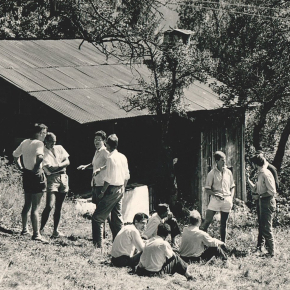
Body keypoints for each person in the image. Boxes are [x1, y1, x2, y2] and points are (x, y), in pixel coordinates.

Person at [92, 134, 130, 248]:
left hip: (111, 189)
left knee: (97, 217)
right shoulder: (122, 156)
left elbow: (108, 179)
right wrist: (123, 188)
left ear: (108, 145)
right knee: (117, 218)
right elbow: (127, 175)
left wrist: (102, 192)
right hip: (120, 188)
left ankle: (98, 246)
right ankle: (120, 244)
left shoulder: (110, 158)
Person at [13, 123, 48, 243]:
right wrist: (36, 168)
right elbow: (40, 157)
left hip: (27, 174)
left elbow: (15, 155)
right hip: (36, 175)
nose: (45, 135)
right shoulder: (39, 143)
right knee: (36, 207)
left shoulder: (25, 142)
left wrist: (21, 167)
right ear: (38, 133)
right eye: (44, 133)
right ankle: (36, 234)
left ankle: (24, 229)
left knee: (27, 204)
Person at [200, 151, 235, 242]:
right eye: (222, 160)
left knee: (224, 223)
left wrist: (231, 197)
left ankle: (223, 244)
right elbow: (207, 189)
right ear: (217, 161)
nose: (224, 162)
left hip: (227, 200)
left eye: (225, 160)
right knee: (207, 221)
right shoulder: (211, 173)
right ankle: (202, 242)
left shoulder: (228, 172)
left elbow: (232, 186)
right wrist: (216, 194)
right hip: (215, 200)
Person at [40, 133, 70, 238]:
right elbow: (50, 168)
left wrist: (58, 166)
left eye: (55, 142)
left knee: (59, 207)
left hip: (63, 178)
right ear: (46, 141)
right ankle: (40, 229)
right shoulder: (43, 151)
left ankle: (55, 231)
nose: (53, 144)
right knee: (49, 205)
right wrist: (62, 166)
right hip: (52, 179)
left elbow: (68, 161)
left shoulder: (59, 148)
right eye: (51, 142)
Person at [247, 154, 277, 257]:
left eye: (253, 164)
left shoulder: (265, 173)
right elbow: (256, 189)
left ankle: (271, 253)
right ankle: (268, 251)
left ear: (256, 164)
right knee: (263, 227)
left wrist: (259, 197)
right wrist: (248, 180)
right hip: (262, 202)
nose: (252, 166)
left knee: (266, 228)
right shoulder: (260, 173)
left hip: (267, 202)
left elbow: (272, 192)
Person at [77, 130, 109, 206]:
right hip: (95, 183)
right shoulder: (97, 151)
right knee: (97, 206)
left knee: (102, 208)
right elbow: (94, 164)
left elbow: (111, 164)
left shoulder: (105, 151)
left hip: (102, 184)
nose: (96, 142)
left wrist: (100, 169)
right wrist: (85, 166)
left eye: (99, 140)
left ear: (104, 141)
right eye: (95, 139)